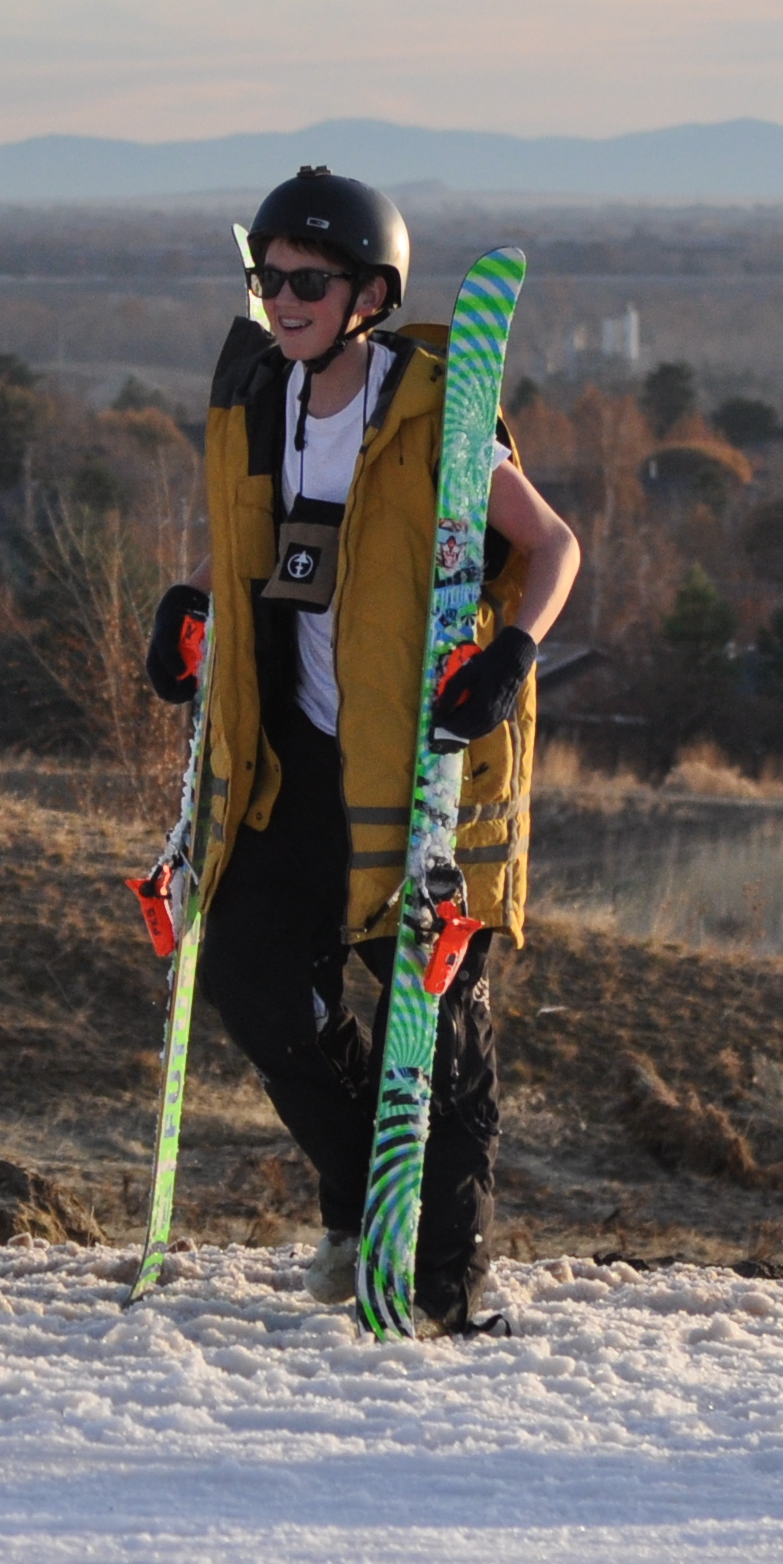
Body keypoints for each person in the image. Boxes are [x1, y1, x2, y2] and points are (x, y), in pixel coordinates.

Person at [144, 167, 579, 1334]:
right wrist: (184, 610)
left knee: (437, 1035)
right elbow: (240, 545)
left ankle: (449, 1287)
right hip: (292, 760)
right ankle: (360, 1199)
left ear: (370, 294)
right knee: (248, 978)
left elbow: (551, 545)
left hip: (422, 763)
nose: (281, 299)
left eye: (306, 279)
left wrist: (515, 651)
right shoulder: (254, 399)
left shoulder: (437, 404)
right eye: (267, 276)